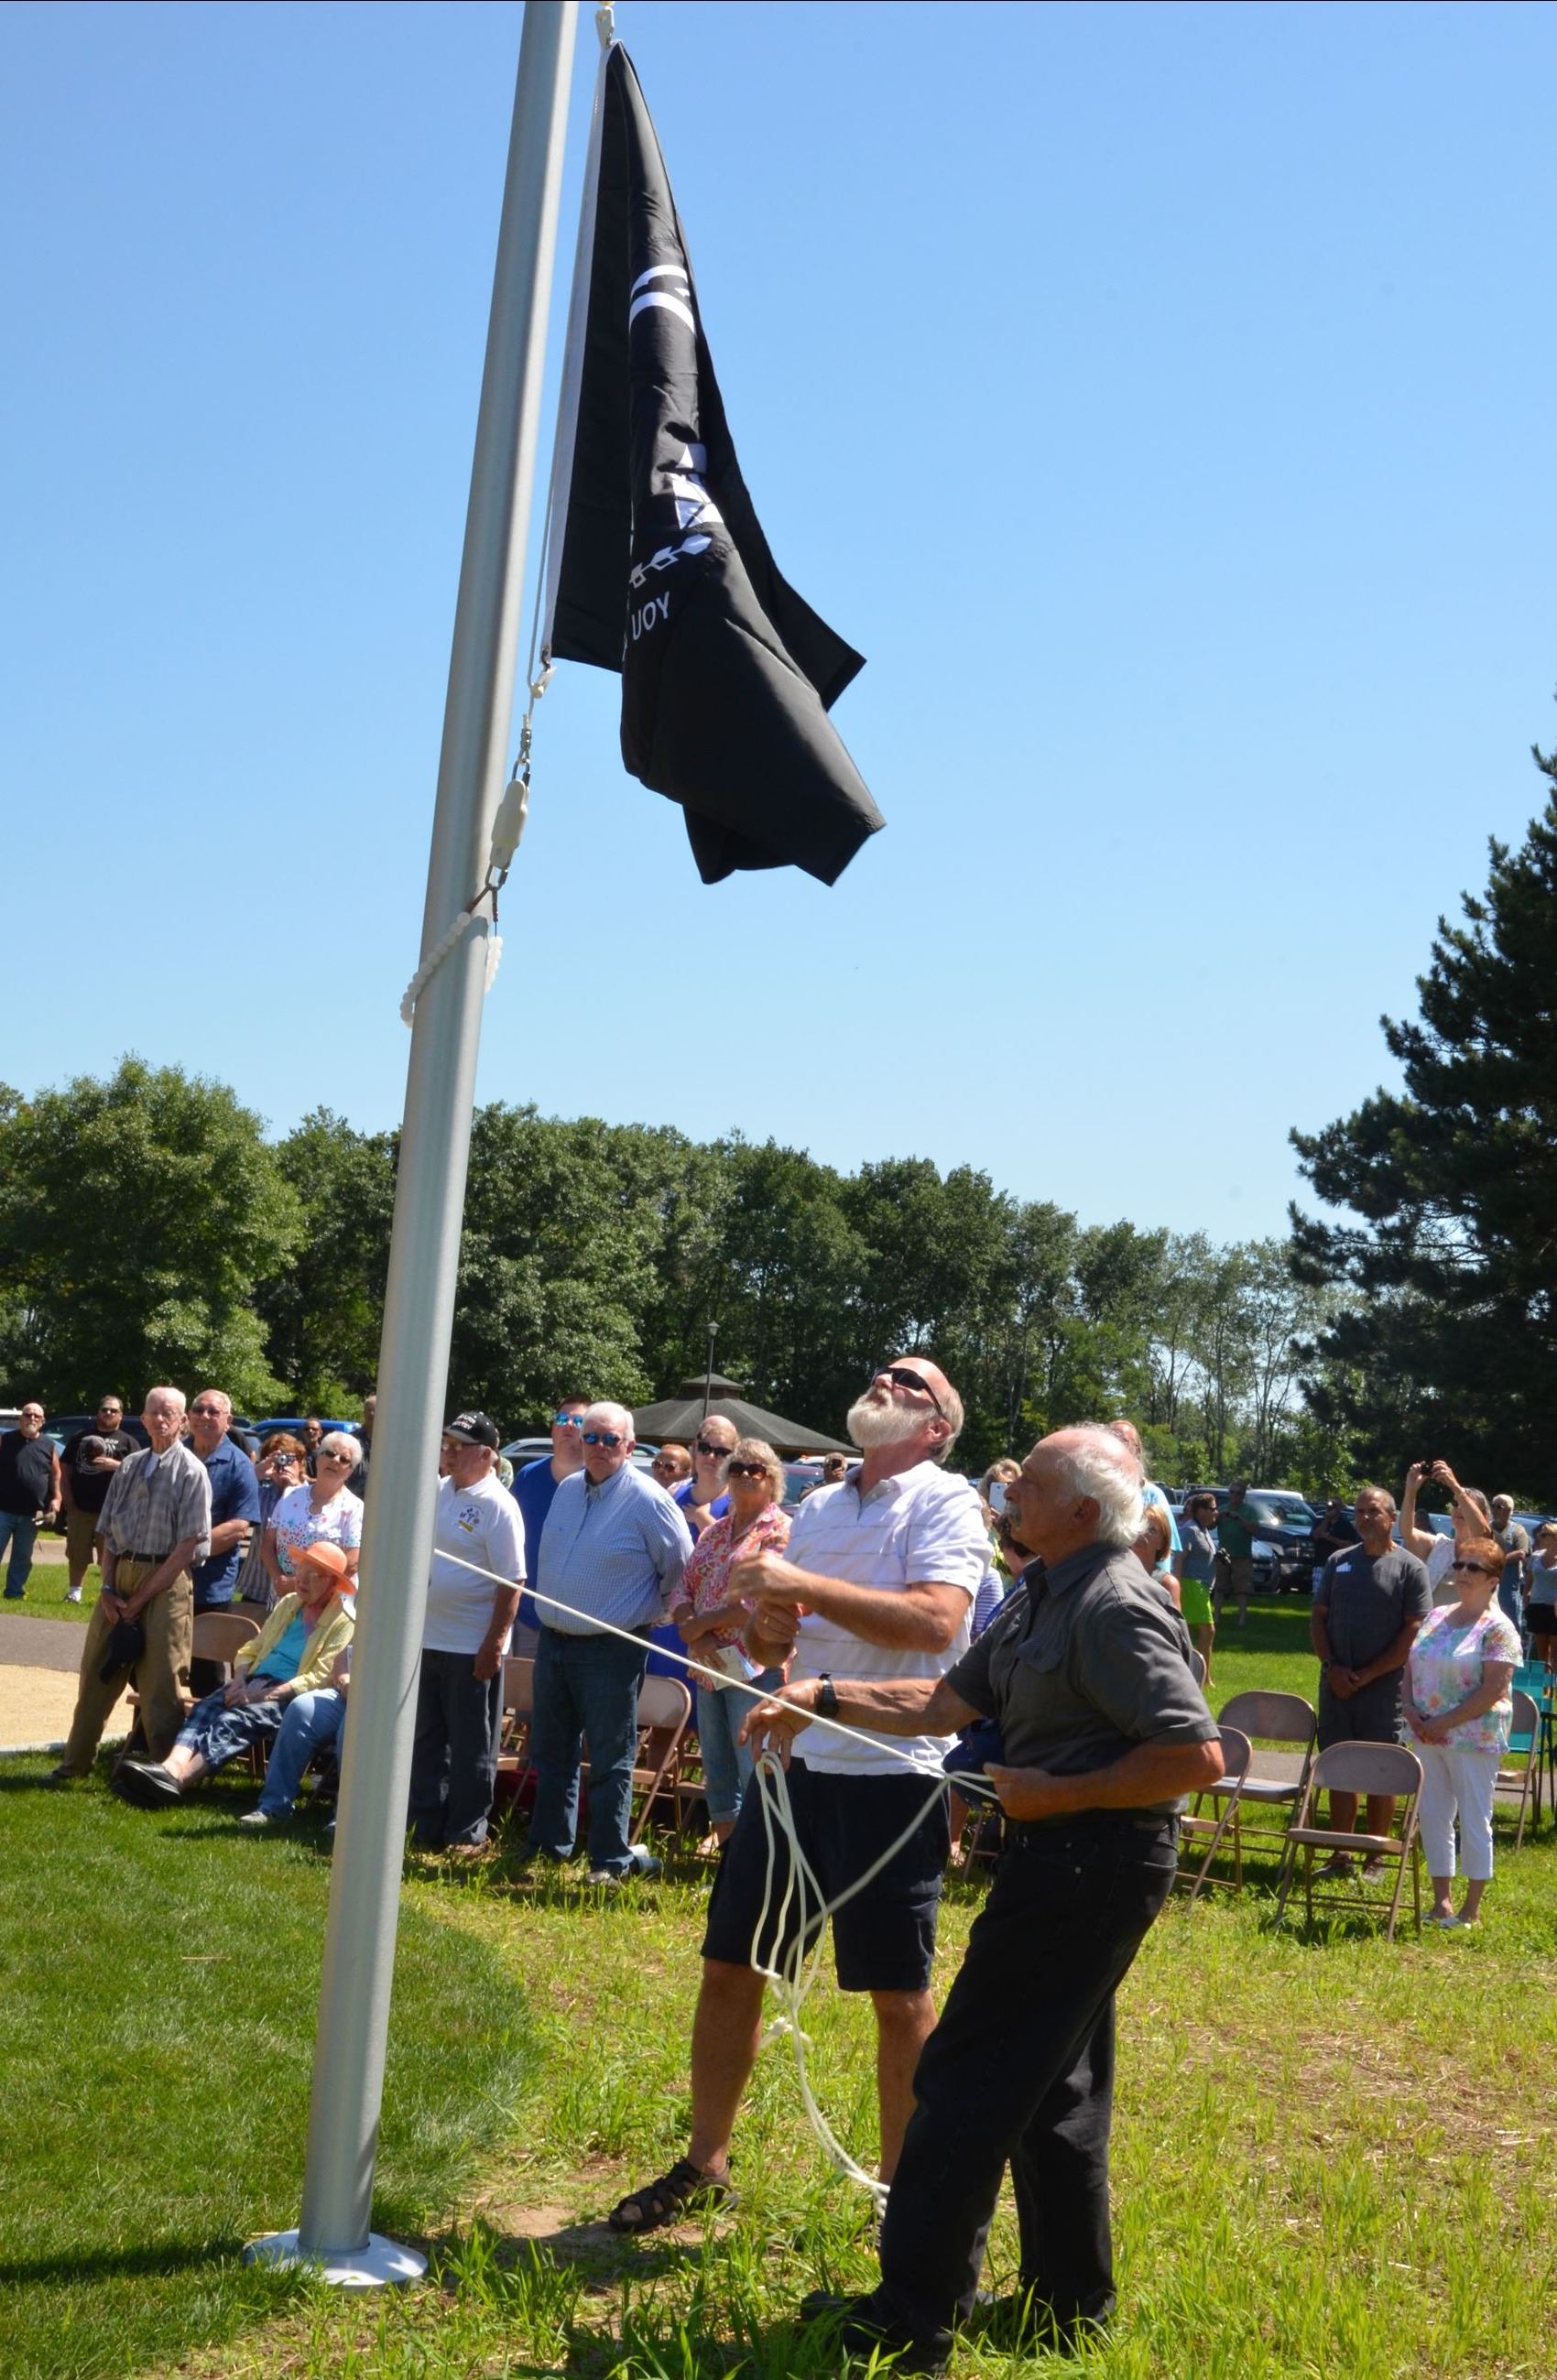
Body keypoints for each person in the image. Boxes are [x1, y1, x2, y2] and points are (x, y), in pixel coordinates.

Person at [747, 1422, 1222, 2371]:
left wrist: (1059, 1792)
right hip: (1062, 1859)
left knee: (960, 2080)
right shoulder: (1039, 1591)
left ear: (1083, 1511)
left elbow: (1194, 1756)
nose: (1007, 1499)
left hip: (1093, 1862)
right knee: (1057, 2088)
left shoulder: (1114, 1603)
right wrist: (822, 1693)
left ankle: (910, 2315)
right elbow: (939, 1705)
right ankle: (1064, 2307)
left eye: (1030, 1487)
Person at [608, 1355, 988, 2236]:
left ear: (937, 1425)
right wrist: (764, 1618)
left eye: (909, 1381)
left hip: (895, 1773)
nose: (884, 1380)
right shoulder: (818, 1506)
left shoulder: (946, 1501)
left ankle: (906, 2203)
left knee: (898, 1995)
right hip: (794, 1772)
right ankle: (706, 2164)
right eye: (880, 1372)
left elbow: (937, 1622)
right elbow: (787, 1634)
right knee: (731, 1963)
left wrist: (798, 1588)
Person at [525, 1401, 692, 1884]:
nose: (597, 1448)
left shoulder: (650, 1500)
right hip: (553, 1640)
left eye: (609, 1440)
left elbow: (678, 1571)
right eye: (590, 1438)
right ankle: (549, 1846)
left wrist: (646, 1616)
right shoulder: (568, 1489)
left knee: (609, 1757)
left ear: (630, 1446)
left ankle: (608, 1860)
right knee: (552, 1750)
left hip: (611, 1648)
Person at [111, 1540, 355, 1805]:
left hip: (287, 1696)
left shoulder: (342, 1621)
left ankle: (178, 1783)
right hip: (252, 1681)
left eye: (313, 1575)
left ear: (333, 1584)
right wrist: (239, 1679)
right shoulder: (289, 1604)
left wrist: (259, 1696)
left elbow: (319, 1677)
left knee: (234, 1721)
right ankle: (170, 1768)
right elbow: (254, 1647)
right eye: (300, 1570)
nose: (302, 1579)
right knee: (207, 1709)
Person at [49, 1387, 212, 1781]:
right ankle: (74, 1765)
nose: (160, 1419)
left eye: (168, 1413)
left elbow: (188, 1547)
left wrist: (138, 1599)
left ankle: (162, 1777)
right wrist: (107, 1588)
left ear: (182, 1420)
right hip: (119, 1576)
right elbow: (106, 1533)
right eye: (154, 1412)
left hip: (166, 1582)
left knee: (161, 1685)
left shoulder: (192, 1471)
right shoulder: (129, 1466)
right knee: (96, 1674)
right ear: (142, 1417)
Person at [408, 1412, 527, 1854]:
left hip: (469, 1643)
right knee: (427, 1739)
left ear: (487, 1454)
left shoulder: (498, 1504)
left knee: (472, 1742)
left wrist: (494, 1644)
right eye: (447, 1443)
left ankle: (467, 1833)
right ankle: (424, 1825)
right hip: (427, 1639)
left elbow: (512, 1582)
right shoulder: (438, 1492)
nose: (450, 1451)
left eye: (460, 1445)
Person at [669, 1437, 789, 1844]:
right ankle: (728, 1867)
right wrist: (691, 1626)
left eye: (755, 1470)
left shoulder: (781, 1531)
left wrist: (701, 1628)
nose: (744, 1477)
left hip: (754, 1669)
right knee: (718, 1772)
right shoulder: (715, 1532)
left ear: (772, 1480)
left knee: (753, 1768)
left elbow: (760, 1599)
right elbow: (683, 1587)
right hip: (707, 1668)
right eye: (736, 1469)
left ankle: (762, 1867)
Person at [1309, 1484, 1431, 1877]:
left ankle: (1376, 1856)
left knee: (1382, 1768)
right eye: (1359, 1512)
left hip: (1384, 1688)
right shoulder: (1339, 1562)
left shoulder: (1411, 1568)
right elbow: (1318, 1618)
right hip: (1337, 1683)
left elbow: (1413, 1631)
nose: (1364, 1519)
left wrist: (1368, 1675)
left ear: (1392, 1518)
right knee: (1340, 1766)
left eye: (1373, 1512)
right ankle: (1340, 1854)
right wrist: (1333, 1668)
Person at [1401, 1531, 1521, 1928]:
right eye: (1459, 1564)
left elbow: (1493, 1689)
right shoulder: (1436, 1615)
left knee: (1474, 1818)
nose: (1463, 1572)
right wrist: (1414, 1714)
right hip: (1426, 1734)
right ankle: (1442, 1903)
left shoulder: (1499, 1628)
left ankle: (1472, 1909)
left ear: (1493, 1581)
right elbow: (1410, 1667)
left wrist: (1442, 1722)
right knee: (1434, 1815)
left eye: (1475, 1567)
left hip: (1473, 1738)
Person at [512, 1398, 588, 1651]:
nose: (569, 1426)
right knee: (520, 1690)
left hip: (578, 1625)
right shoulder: (528, 1476)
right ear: (552, 1428)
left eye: (578, 1421)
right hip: (526, 1619)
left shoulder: (600, 1483)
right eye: (562, 1420)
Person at [186, 1390, 262, 1614]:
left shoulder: (240, 1466)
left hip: (208, 1587)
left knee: (200, 1650)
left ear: (228, 1421)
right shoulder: (172, 1455)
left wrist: (180, 1555)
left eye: (213, 1411)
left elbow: (237, 1529)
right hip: (160, 1580)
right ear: (189, 1416)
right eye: (198, 1410)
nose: (204, 1416)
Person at [261, 1432, 364, 1595]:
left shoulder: (355, 1508)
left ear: (350, 1471)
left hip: (326, 1602)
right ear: (318, 1458)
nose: (335, 1460)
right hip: (283, 1597)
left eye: (344, 1460)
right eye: (329, 1453)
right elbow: (267, 1546)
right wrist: (279, 1580)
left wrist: (297, 1583)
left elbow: (351, 1564)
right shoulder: (290, 1496)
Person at [59, 1397, 136, 1603]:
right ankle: (75, 1593)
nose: (109, 1413)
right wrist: (68, 1500)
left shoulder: (128, 1441)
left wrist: (115, 1465)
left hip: (113, 1510)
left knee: (108, 1556)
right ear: (98, 1412)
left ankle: (107, 1593)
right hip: (80, 1508)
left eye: (113, 1410)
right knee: (77, 1553)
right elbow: (64, 1469)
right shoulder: (80, 1437)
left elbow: (139, 1473)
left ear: (121, 1415)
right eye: (105, 1409)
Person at [1399, 1462, 1493, 1603]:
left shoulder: (1488, 1548)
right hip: (1438, 1623)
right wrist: (1411, 1491)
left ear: (1484, 1516)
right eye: (1455, 1504)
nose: (1459, 1508)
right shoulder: (1439, 1546)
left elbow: (1483, 1534)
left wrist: (1456, 1488)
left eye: (1466, 1505)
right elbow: (1406, 1531)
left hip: (1478, 1623)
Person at [233, 1433, 306, 1609]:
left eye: (289, 1459)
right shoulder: (261, 1494)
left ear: (301, 1463)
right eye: (279, 1459)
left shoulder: (311, 1496)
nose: (284, 1464)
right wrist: (256, 1472)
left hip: (294, 1587)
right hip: (257, 1585)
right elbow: (233, 1496)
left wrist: (294, 1488)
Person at [0, 1401, 61, 1600]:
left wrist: (57, 1497)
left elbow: (55, 1475)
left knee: (22, 1556)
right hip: (3, 1509)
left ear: (43, 1421)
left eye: (36, 1416)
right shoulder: (6, 1440)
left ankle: (14, 1592)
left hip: (32, 1513)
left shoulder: (49, 1445)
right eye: (28, 1414)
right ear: (20, 1419)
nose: (32, 1418)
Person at [1177, 1490, 1219, 1681]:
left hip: (1202, 1587)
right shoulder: (1190, 1530)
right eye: (1212, 1509)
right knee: (1207, 1630)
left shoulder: (1204, 1530)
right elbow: (1178, 1559)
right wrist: (1176, 1587)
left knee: (1203, 1632)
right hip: (1191, 1585)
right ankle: (1198, 1676)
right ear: (1200, 1511)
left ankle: (1204, 1675)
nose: (1215, 1513)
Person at [676, 1416, 735, 1538]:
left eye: (721, 1452)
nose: (711, 1456)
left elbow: (733, 1551)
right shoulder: (674, 1495)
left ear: (732, 1459)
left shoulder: (737, 1503)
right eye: (705, 1448)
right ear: (694, 1452)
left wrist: (701, 1517)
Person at [1213, 1480, 1261, 1628]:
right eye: (1232, 1492)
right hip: (1223, 1555)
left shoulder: (1249, 1511)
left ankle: (1242, 1619)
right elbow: (1209, 1525)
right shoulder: (1222, 1508)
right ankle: (1216, 1617)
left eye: (1239, 1493)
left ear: (1243, 1496)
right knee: (1219, 1586)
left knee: (1242, 1588)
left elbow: (1254, 1530)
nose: (1235, 1496)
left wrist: (1238, 1518)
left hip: (1242, 1555)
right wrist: (1219, 1515)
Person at [1487, 1494, 1531, 1635]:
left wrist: (1498, 1560)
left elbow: (1521, 1553)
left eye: (1499, 1507)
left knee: (1510, 1624)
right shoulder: (1485, 1528)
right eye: (1493, 1506)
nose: (1494, 1510)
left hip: (1507, 1586)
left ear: (1510, 1511)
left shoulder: (1518, 1531)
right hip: (1486, 1582)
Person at [1522, 1522, 1557, 1671]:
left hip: (1555, 1608)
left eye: (1544, 1535)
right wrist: (1525, 1599)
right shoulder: (1535, 1557)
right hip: (1537, 1607)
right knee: (1542, 1654)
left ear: (1555, 1538)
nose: (1539, 1538)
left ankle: (1554, 1689)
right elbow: (1528, 1582)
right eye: (1539, 1535)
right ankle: (1545, 1690)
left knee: (1555, 1654)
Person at [347, 1394, 376, 1497]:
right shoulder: (351, 1438)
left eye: (375, 1409)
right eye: (368, 1410)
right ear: (364, 1412)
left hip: (379, 1493)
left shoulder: (389, 1440)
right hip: (354, 1493)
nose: (372, 1413)